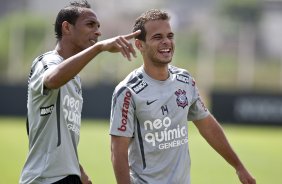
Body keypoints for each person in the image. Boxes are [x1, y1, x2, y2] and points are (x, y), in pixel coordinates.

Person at [109, 9, 256, 184]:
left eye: (170, 36)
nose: (166, 42)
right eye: (157, 37)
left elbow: (207, 124)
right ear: (140, 45)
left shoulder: (184, 80)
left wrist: (238, 166)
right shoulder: (127, 91)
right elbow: (117, 151)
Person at [19, 1, 140, 184]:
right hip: (44, 178)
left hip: (69, 177)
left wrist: (78, 171)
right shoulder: (46, 61)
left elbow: (60, 140)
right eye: (90, 24)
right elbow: (52, 79)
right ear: (67, 27)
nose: (98, 32)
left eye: (98, 26)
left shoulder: (74, 79)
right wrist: (99, 48)